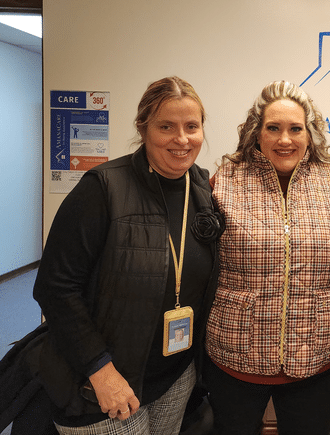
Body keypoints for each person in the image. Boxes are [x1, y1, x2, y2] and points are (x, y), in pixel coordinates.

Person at [33, 77, 222, 435]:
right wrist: (99, 370)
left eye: (191, 126)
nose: (182, 139)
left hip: (174, 378)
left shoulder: (201, 188)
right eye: (166, 126)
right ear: (143, 127)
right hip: (103, 383)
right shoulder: (103, 188)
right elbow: (55, 288)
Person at [203, 80, 330, 435]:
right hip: (235, 355)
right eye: (274, 128)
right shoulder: (224, 182)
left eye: (296, 129)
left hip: (317, 355)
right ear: (256, 133)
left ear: (310, 134)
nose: (285, 139)